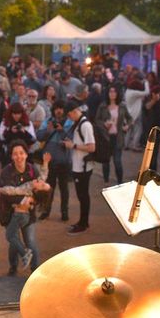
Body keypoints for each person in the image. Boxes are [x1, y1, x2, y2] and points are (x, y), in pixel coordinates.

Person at [0, 143, 50, 275]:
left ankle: (35, 270)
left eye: (21, 153)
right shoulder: (6, 171)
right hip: (9, 212)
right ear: (12, 156)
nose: (19, 156)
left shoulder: (32, 170)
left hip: (27, 213)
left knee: (30, 241)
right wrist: (22, 201)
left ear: (26, 154)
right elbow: (6, 193)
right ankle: (13, 268)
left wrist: (30, 201)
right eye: (15, 153)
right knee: (13, 240)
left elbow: (41, 191)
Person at [36, 101, 72, 222]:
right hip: (49, 160)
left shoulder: (69, 122)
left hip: (64, 161)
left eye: (61, 108)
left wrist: (61, 130)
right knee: (48, 187)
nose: (59, 111)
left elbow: (71, 139)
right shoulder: (48, 121)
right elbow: (39, 136)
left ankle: (64, 212)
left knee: (64, 188)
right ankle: (46, 211)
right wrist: (48, 130)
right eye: (57, 108)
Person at [63, 99, 94, 235]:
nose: (69, 118)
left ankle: (84, 223)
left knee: (83, 195)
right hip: (79, 165)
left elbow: (92, 147)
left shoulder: (85, 125)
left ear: (74, 111)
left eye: (69, 115)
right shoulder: (79, 123)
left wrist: (73, 146)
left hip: (83, 167)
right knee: (81, 195)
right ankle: (82, 222)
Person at [95, 86, 131, 185]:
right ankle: (106, 181)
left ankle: (120, 182)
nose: (112, 93)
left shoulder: (122, 106)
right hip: (106, 137)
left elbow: (129, 118)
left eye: (114, 91)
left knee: (117, 161)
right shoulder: (103, 106)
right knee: (106, 161)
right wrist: (104, 124)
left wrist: (127, 126)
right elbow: (97, 120)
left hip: (118, 137)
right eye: (110, 91)